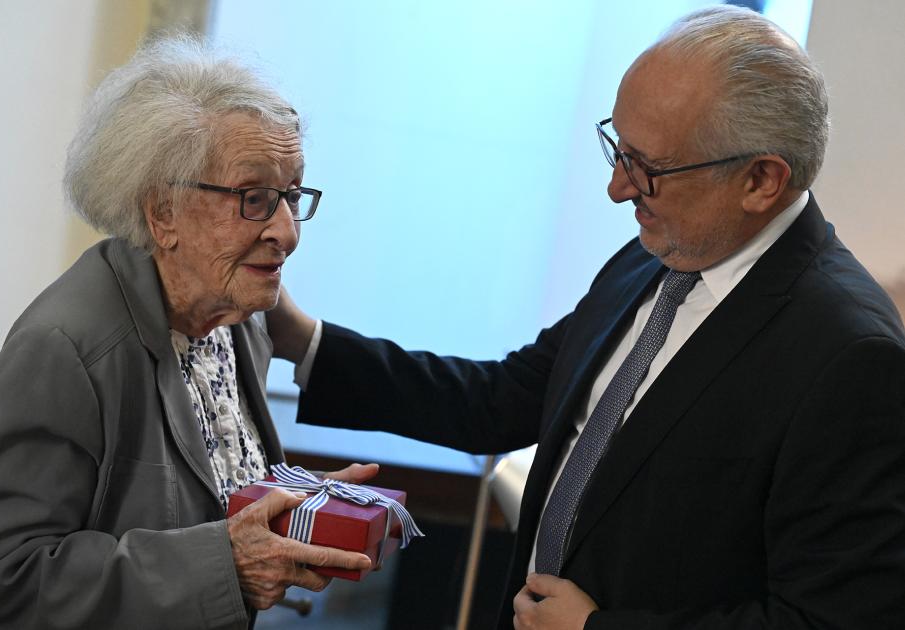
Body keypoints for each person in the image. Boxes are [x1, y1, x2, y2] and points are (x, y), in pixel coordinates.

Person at [266, 6, 905, 629]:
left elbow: (831, 616)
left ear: (762, 180)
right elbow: (505, 398)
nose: (618, 189)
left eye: (648, 169)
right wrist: (302, 341)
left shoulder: (852, 357)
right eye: (618, 149)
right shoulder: (660, 251)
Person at [0, 38, 379, 629]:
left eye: (289, 196)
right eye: (254, 199)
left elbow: (197, 492)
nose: (287, 232)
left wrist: (285, 502)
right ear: (163, 213)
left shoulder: (238, 316)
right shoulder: (66, 349)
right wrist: (224, 565)